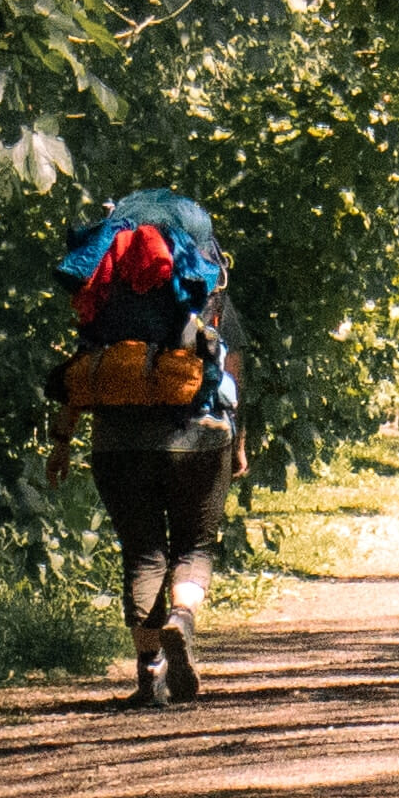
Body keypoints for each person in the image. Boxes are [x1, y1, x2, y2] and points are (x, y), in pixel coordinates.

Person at [44, 189, 246, 708]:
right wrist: (239, 438)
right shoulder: (208, 285)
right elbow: (232, 370)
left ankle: (148, 673)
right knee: (194, 548)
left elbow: (84, 369)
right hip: (198, 436)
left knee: (142, 554)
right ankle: (181, 619)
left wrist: (62, 442)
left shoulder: (105, 291)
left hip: (118, 443)